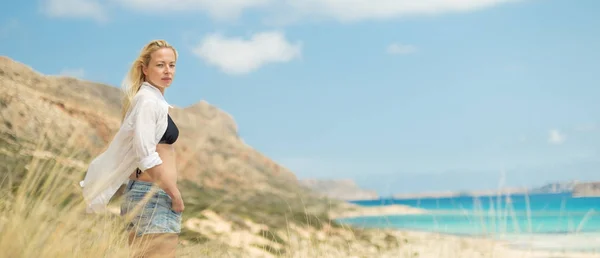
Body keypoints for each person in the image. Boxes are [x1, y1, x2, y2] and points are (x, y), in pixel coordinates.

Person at [79, 39, 184, 258]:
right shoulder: (147, 101)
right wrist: (174, 194)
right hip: (153, 196)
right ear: (145, 69)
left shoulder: (151, 100)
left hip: (147, 194)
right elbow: (145, 154)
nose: (167, 71)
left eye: (171, 65)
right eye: (160, 65)